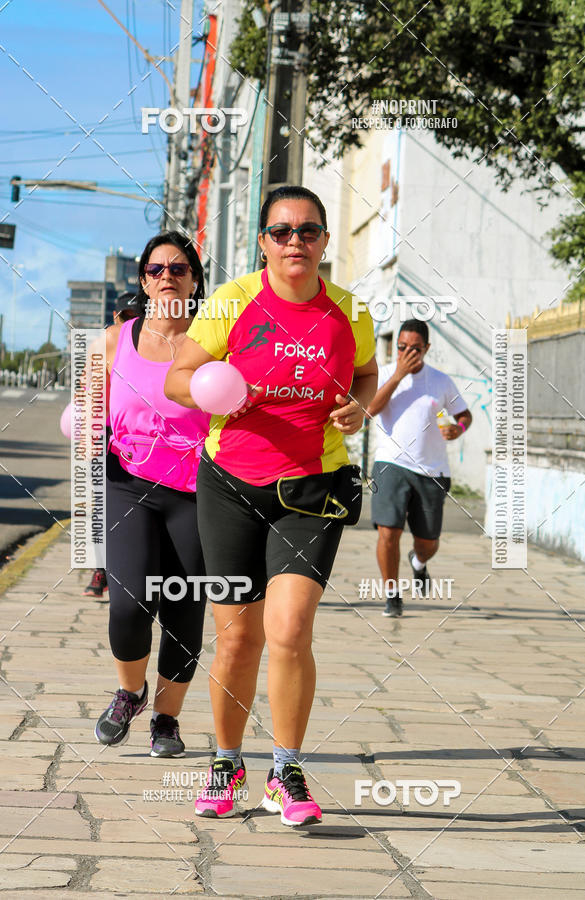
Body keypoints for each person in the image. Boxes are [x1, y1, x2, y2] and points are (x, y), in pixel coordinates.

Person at [165, 185, 377, 826]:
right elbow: (179, 380)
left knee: (288, 631)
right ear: (263, 241)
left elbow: (365, 374)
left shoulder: (348, 310)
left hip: (313, 486)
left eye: (308, 231)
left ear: (324, 242)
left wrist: (359, 405)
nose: (295, 242)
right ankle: (227, 762)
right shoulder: (232, 303)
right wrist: (218, 393)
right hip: (230, 484)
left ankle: (286, 771)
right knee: (235, 641)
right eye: (281, 232)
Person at [93, 232, 210, 757]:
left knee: (184, 609)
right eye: (157, 268)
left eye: (180, 268)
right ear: (143, 280)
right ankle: (129, 690)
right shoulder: (113, 340)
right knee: (130, 603)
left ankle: (166, 719)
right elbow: (88, 407)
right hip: (129, 484)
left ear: (194, 280)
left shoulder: (214, 341)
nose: (168, 275)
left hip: (198, 491)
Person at [367, 319, 472, 617]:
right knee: (388, 532)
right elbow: (369, 409)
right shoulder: (385, 374)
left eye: (414, 348)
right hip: (391, 464)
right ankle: (392, 595)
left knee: (428, 542)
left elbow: (464, 414)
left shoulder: (440, 381)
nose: (407, 352)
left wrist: (459, 429)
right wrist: (398, 376)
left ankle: (419, 562)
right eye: (401, 347)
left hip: (432, 471)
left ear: (426, 348)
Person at [83, 292, 145, 599]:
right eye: (127, 316)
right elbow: (88, 394)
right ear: (117, 317)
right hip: (107, 434)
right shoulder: (107, 345)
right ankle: (102, 572)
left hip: (136, 439)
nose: (130, 322)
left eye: (136, 315)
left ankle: (118, 573)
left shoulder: (148, 344)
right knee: (104, 508)